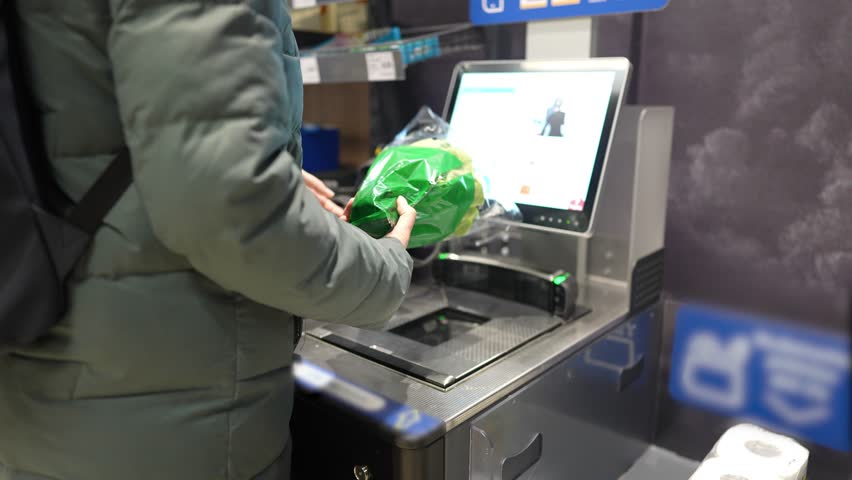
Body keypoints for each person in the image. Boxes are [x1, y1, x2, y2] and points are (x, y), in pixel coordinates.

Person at [0, 1, 416, 479]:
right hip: (172, 412)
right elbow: (236, 218)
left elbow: (71, 121)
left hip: (47, 375)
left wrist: (245, 163)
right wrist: (387, 267)